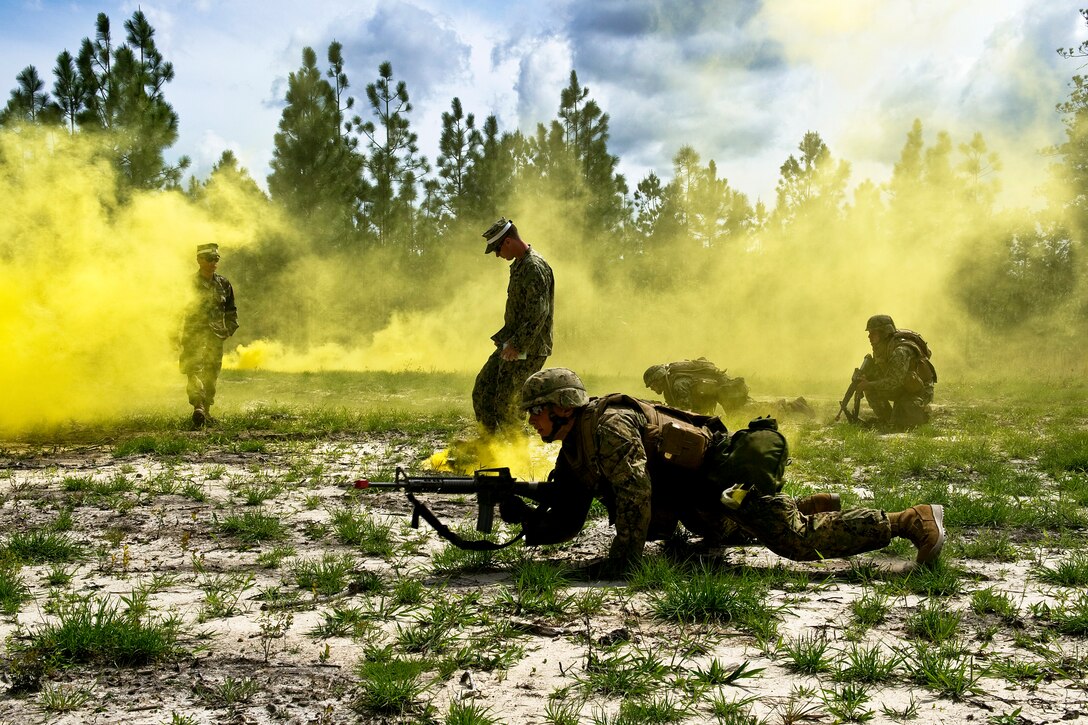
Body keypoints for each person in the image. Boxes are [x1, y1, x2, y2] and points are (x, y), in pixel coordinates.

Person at [500, 368, 946, 575]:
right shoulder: (576, 446)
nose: (532, 422)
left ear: (561, 407)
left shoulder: (610, 427)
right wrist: (524, 518)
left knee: (796, 541)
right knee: (726, 536)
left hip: (725, 479)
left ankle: (908, 520)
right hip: (697, 497)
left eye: (535, 413)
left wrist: (622, 562)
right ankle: (802, 506)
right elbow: (569, 516)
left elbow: (635, 495)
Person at [471, 217, 554, 434]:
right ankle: (488, 445)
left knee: (508, 404)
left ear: (507, 241)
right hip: (512, 343)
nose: (498, 255)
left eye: (497, 249)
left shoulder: (534, 267)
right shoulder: (519, 265)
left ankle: (517, 456)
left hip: (529, 347)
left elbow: (538, 314)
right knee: (483, 389)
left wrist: (517, 345)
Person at [178, 243, 238, 427]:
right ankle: (198, 407)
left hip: (215, 335)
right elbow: (176, 310)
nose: (213, 263)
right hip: (193, 334)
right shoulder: (188, 284)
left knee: (211, 372)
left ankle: (207, 410)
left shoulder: (223, 283)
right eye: (209, 259)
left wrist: (229, 328)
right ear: (199, 260)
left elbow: (230, 309)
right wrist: (173, 334)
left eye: (216, 259)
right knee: (193, 370)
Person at [855, 315, 936, 431]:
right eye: (869, 333)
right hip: (903, 386)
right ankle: (887, 418)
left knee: (904, 420)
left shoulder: (900, 351)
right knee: (870, 385)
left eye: (873, 333)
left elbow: (894, 382)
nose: (869, 337)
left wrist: (869, 384)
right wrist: (865, 379)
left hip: (919, 390)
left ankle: (922, 413)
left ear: (884, 333)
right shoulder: (882, 347)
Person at [643, 358, 749, 415]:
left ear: (658, 379)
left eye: (652, 385)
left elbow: (687, 413)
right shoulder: (670, 388)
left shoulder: (678, 385)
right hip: (722, 393)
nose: (652, 388)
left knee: (743, 413)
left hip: (728, 393)